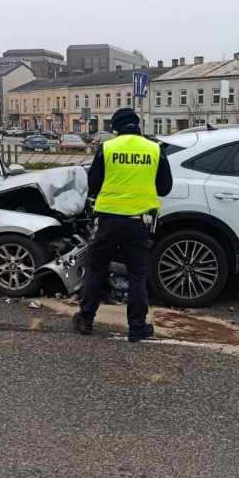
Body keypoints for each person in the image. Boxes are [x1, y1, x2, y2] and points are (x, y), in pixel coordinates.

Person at [73, 107, 173, 343]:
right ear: (138, 125)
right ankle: (137, 328)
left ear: (115, 128)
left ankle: (86, 319)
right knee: (137, 275)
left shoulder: (106, 148)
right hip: (139, 223)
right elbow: (165, 188)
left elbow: (93, 185)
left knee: (97, 269)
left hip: (108, 221)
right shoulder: (154, 149)